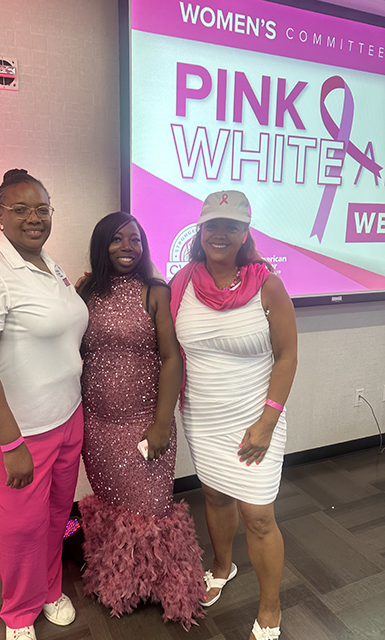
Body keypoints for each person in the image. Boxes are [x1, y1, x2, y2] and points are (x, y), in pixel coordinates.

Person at [0, 169, 89, 640]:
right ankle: (19, 613)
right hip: (13, 432)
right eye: (21, 209)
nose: (34, 218)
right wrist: (11, 443)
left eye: (42, 209)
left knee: (57, 515)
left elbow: (53, 326)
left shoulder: (50, 265)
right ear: (0, 215)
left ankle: (49, 588)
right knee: (20, 529)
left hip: (65, 418)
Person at [170, 191, 297, 640]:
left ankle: (270, 607)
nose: (220, 234)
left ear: (246, 233)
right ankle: (223, 566)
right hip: (203, 418)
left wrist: (266, 423)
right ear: (200, 230)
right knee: (216, 495)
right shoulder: (182, 282)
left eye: (232, 226)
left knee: (258, 515)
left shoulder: (268, 284)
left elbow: (286, 357)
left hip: (254, 419)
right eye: (213, 225)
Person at [77, 211, 205, 630]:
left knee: (150, 509)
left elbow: (171, 358)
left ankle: (162, 585)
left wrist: (162, 422)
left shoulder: (155, 291)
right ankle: (120, 583)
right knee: (113, 505)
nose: (127, 247)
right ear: (102, 245)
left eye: (135, 239)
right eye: (117, 239)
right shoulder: (86, 291)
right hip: (97, 425)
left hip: (144, 423)